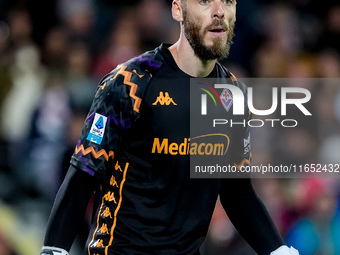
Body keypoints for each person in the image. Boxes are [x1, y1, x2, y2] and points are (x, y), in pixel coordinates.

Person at [40, 1, 299, 255]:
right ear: (178, 10)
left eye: (228, 2)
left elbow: (236, 192)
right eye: (205, 2)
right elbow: (83, 174)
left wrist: (278, 250)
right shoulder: (131, 82)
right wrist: (54, 249)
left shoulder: (231, 97)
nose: (219, 11)